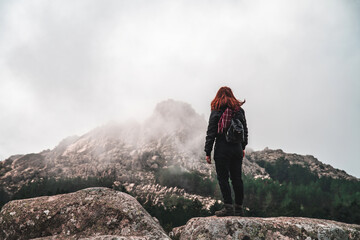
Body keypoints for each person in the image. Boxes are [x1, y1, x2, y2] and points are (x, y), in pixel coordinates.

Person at [204, 86, 248, 217]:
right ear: (232, 95)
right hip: (237, 148)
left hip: (222, 148)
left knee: (223, 179)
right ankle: (239, 209)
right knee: (237, 179)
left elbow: (211, 132)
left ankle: (228, 208)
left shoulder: (216, 111)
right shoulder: (239, 110)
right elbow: (244, 130)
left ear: (218, 96)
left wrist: (208, 151)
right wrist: (243, 146)